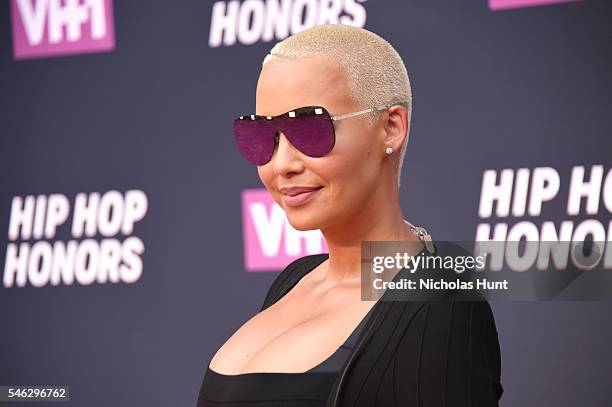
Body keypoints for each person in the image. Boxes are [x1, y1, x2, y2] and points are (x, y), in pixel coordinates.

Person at [197, 23, 503, 406]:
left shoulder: (438, 299)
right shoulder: (293, 280)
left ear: (391, 127)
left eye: (309, 128)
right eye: (262, 136)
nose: (282, 164)